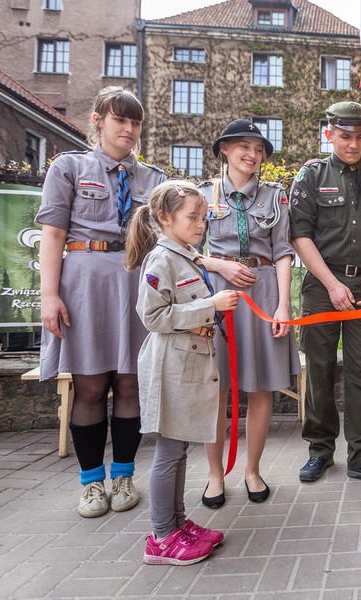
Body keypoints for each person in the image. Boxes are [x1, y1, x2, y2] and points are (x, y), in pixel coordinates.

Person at [37, 86, 165, 518]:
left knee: (130, 382)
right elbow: (53, 234)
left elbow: (170, 241)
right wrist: (49, 295)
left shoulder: (154, 179)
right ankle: (92, 483)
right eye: (119, 120)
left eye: (135, 123)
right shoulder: (69, 167)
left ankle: (125, 476)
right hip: (84, 283)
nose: (128, 129)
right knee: (90, 385)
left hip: (136, 285)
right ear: (98, 120)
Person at [289, 101, 361, 487]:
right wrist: (332, 284)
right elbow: (299, 235)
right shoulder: (310, 175)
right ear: (330, 134)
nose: (353, 144)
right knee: (318, 372)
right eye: (344, 136)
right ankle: (319, 451)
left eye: (359, 137)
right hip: (322, 287)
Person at [125, 180, 239, 565]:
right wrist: (211, 304)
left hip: (188, 361)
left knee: (178, 450)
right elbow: (154, 316)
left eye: (204, 218)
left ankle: (176, 524)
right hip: (171, 364)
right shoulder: (161, 260)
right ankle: (161, 538)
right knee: (169, 452)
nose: (200, 224)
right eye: (193, 217)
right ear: (164, 217)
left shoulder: (187, 255)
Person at [198, 119, 300, 508]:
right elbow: (186, 248)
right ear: (224, 148)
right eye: (244, 146)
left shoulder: (275, 197)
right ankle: (213, 474)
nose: (252, 155)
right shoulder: (202, 194)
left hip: (264, 290)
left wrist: (283, 305)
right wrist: (220, 267)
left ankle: (253, 470)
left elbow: (283, 252)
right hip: (220, 292)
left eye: (259, 149)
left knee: (261, 387)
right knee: (216, 387)